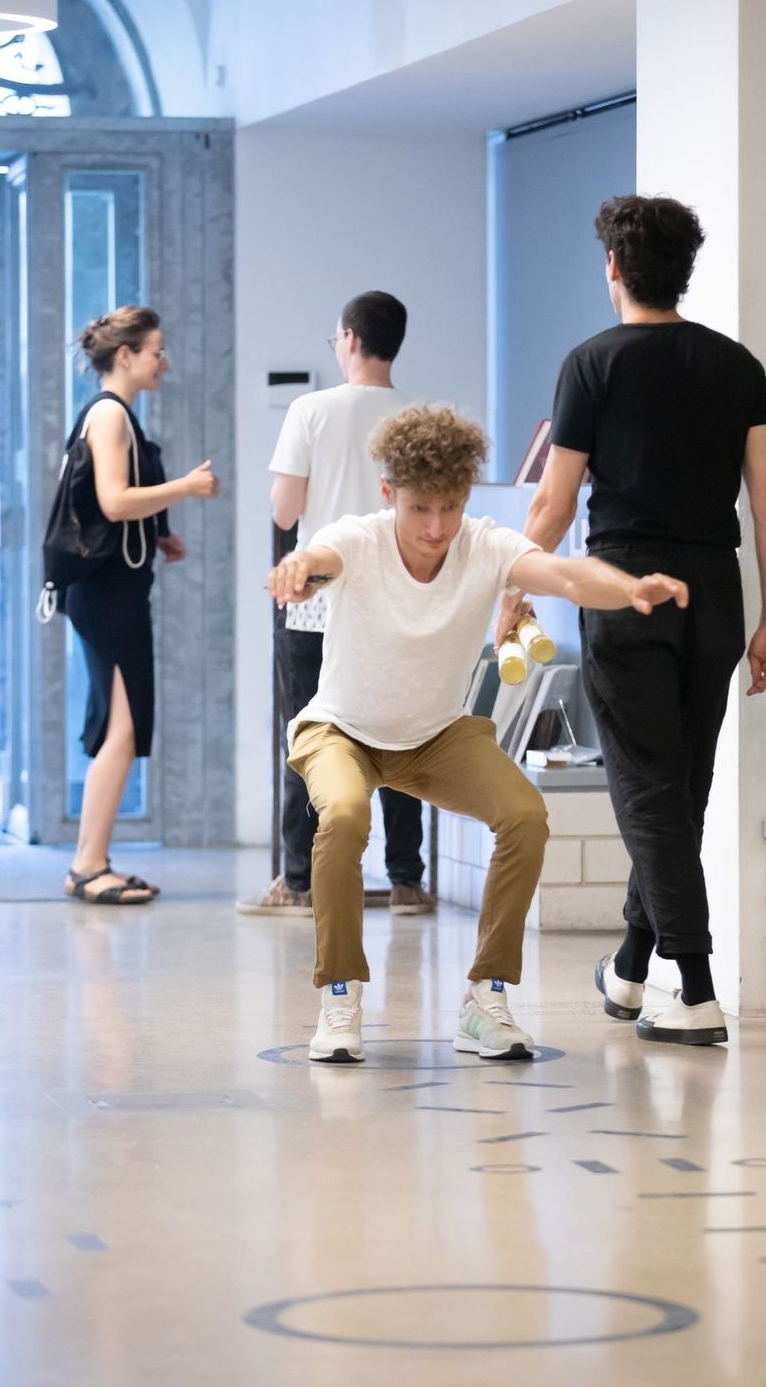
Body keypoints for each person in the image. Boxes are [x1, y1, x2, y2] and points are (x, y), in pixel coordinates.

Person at [268, 403, 688, 1064]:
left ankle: (485, 998)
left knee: (524, 815)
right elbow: (318, 559)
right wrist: (298, 570)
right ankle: (340, 996)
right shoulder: (359, 537)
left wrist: (630, 588)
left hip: (437, 735)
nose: (436, 528)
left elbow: (566, 574)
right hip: (343, 731)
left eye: (451, 507)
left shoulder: (486, 545)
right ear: (389, 492)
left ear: (466, 496)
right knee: (344, 814)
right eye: (420, 509)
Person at [498, 194, 766, 1045]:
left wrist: (512, 585)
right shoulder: (737, 366)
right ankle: (631, 968)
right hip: (716, 591)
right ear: (684, 270)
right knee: (679, 786)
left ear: (615, 268)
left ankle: (694, 987)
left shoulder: (591, 364)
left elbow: (554, 503)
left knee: (651, 791)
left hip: (624, 587)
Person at [237, 291, 430, 917]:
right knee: (400, 739)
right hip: (396, 604)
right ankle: (406, 880)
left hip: (318, 603)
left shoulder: (310, 410)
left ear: (349, 338)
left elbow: (285, 510)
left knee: (311, 737)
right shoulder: (419, 417)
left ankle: (300, 881)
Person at [62, 306, 220, 903]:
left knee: (117, 727)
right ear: (125, 356)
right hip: (108, 595)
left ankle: (89, 861)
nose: (164, 362)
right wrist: (186, 487)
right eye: (156, 352)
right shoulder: (109, 415)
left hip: (112, 591)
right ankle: (88, 865)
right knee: (122, 731)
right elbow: (112, 500)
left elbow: (114, 505)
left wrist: (158, 534)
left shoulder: (115, 415)